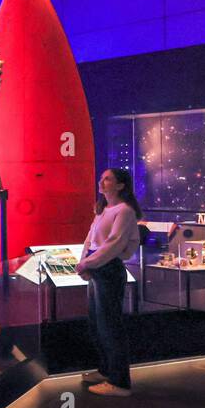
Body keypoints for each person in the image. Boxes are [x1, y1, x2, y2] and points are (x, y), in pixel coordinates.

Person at [75, 167, 142, 396]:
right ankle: (106, 371)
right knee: (97, 323)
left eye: (107, 179)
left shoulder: (124, 211)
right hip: (98, 269)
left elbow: (113, 244)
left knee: (109, 325)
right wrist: (84, 262)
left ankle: (120, 382)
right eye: (102, 179)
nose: (101, 182)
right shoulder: (103, 210)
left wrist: (88, 263)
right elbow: (90, 239)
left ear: (120, 185)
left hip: (108, 270)